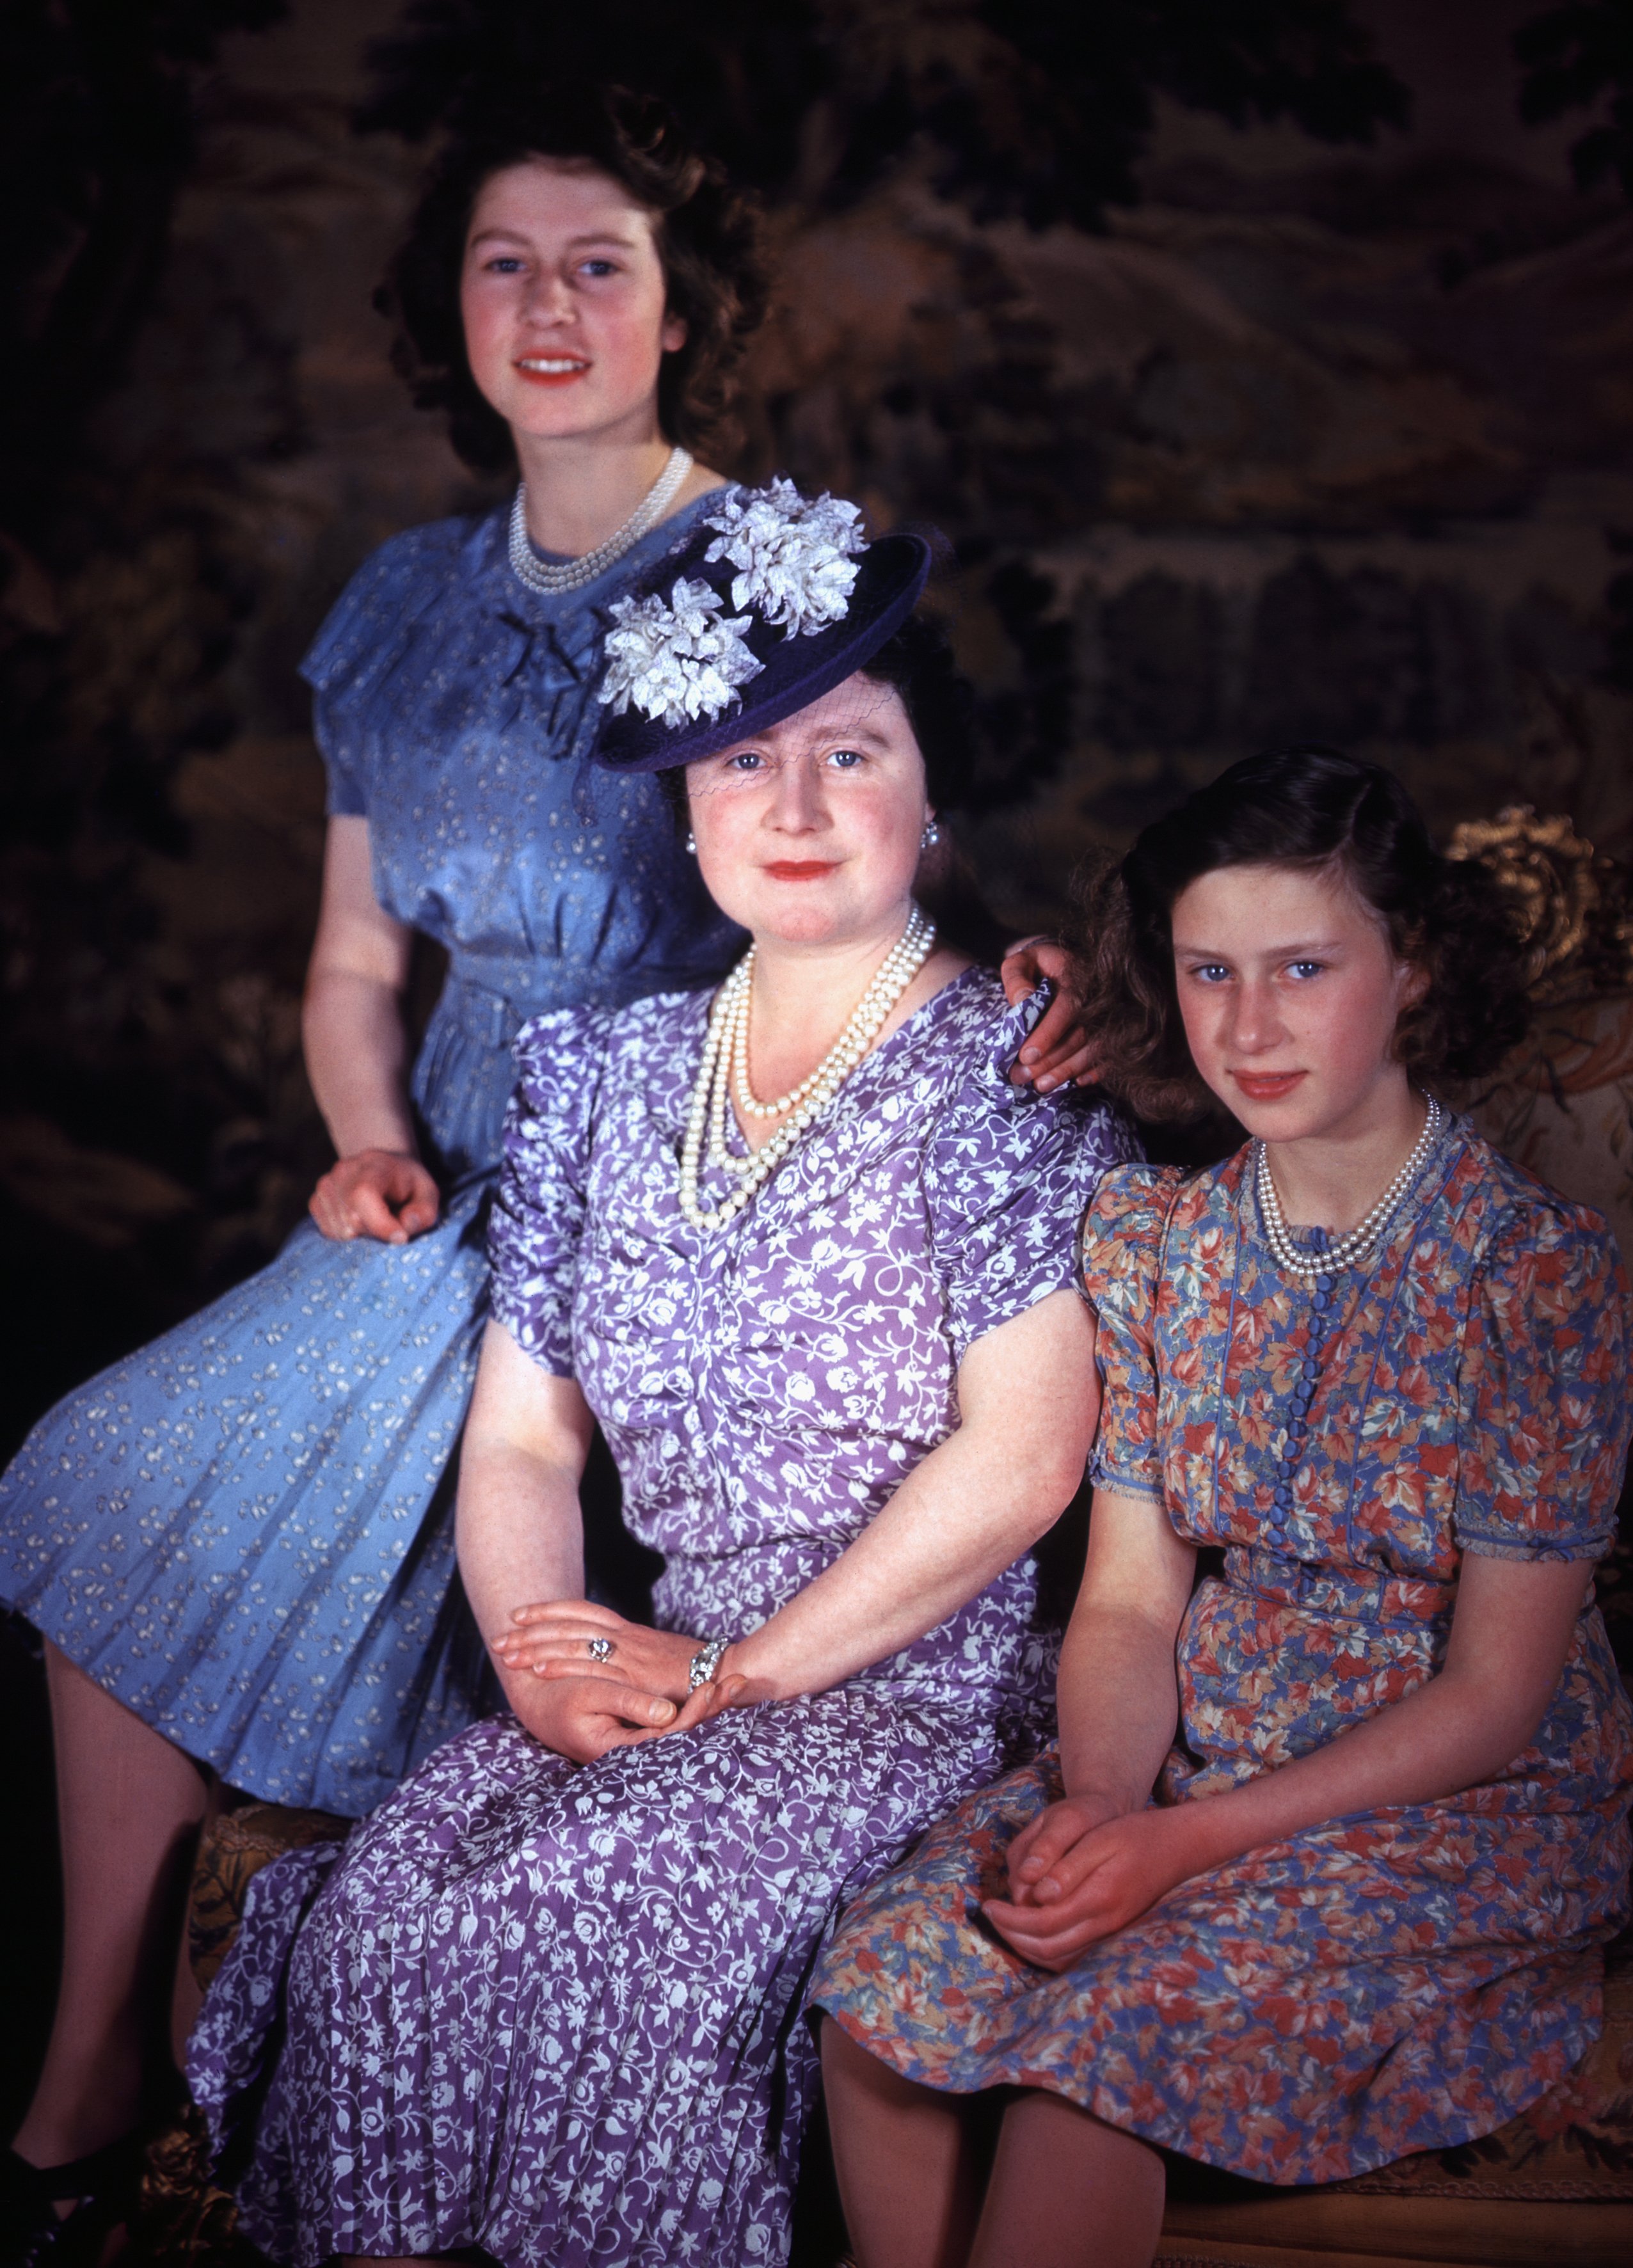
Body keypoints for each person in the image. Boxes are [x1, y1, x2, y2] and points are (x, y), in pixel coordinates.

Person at [0, 81, 1093, 2258]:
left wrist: (1041, 984)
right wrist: (371, 1141)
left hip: (752, 1156)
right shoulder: (404, 600)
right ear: (449, 310)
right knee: (100, 1473)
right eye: (505, 261)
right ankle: (94, 2042)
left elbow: (867, 841)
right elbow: (347, 959)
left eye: (602, 258)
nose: (551, 302)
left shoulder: (774, 571)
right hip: (507, 1151)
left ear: (687, 307)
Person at [184, 491, 1137, 2268]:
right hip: (661, 1669)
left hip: (907, 1703)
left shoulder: (1011, 1064)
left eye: (849, 755)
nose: (791, 808)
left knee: (620, 1919)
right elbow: (525, 1437)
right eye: (742, 760)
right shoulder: (597, 1077)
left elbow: (1025, 1456)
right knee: (394, 1918)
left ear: (932, 802)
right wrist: (550, 1665)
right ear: (681, 805)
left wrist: (737, 1675)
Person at [813, 747, 1633, 2268]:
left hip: (1443, 1798)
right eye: (1209, 974)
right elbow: (1129, 1598)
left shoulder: (1534, 1279)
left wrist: (1179, 1858)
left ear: (1414, 970)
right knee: (885, 1998)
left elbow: (1493, 1697)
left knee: (1090, 2070)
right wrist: (1113, 1809)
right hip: (1189, 1754)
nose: (1249, 1029)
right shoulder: (1154, 1242)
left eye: (1303, 968)